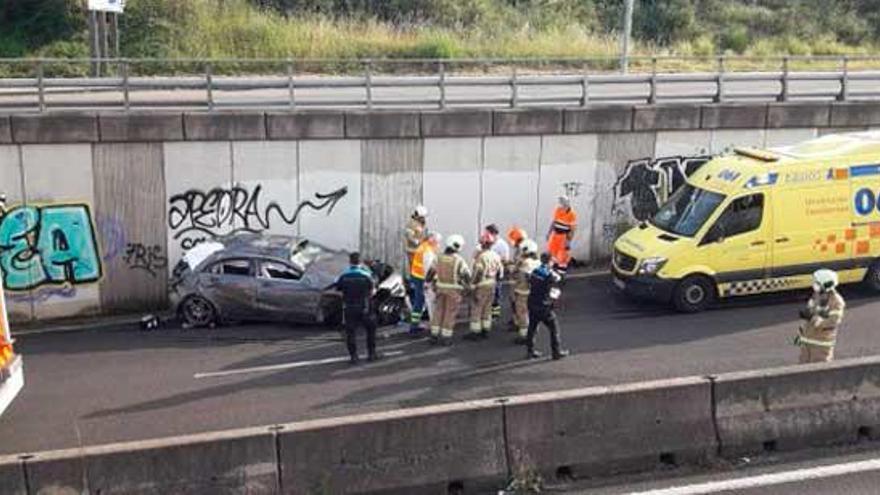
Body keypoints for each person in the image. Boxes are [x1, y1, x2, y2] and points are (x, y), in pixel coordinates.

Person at [333, 252, 381, 364]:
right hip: (365, 307)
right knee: (371, 330)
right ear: (361, 262)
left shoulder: (344, 275)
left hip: (349, 307)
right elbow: (373, 290)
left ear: (350, 262)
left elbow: (338, 288)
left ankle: (354, 357)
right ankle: (371, 354)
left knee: (350, 332)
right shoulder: (366, 275)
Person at [427, 234, 471, 346]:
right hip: (454, 291)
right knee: (449, 314)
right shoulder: (459, 260)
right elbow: (466, 275)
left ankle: (434, 335)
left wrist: (428, 283)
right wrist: (468, 287)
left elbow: (430, 273)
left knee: (438, 312)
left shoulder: (438, 257)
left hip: (440, 290)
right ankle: (446, 337)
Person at [525, 252, 570, 360]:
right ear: (550, 261)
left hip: (532, 303)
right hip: (543, 306)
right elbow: (554, 289)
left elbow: (529, 281)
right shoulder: (550, 275)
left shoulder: (535, 271)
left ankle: (530, 352)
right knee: (554, 329)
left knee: (532, 328)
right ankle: (556, 352)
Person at [795, 269, 845, 364]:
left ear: (826, 284)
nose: (814, 284)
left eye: (817, 282)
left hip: (821, 345)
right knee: (802, 372)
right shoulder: (816, 296)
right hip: (807, 341)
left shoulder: (836, 302)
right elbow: (810, 312)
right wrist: (801, 333)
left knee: (818, 374)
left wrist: (812, 318)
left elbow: (832, 322)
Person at [466, 233, 504, 341]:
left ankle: (475, 332)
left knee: (477, 308)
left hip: (481, 285)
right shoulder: (496, 255)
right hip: (492, 284)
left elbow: (478, 271)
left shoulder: (481, 257)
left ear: (482, 244)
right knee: (487, 308)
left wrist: (472, 285)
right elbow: (500, 273)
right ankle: (486, 330)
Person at [408, 231, 442, 336]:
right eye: (437, 241)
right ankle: (426, 327)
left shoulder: (424, 246)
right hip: (422, 279)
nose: (438, 244)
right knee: (428, 302)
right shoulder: (427, 251)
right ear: (432, 240)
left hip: (417, 277)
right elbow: (429, 269)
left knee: (420, 302)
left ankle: (415, 326)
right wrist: (429, 283)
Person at [512, 240, 540, 345]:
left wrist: (517, 265)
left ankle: (524, 336)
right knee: (532, 313)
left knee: (522, 313)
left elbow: (520, 275)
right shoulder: (537, 262)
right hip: (534, 293)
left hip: (523, 292)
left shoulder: (525, 263)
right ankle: (533, 331)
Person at [485, 224, 510, 322]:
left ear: (493, 233)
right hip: (486, 273)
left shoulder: (502, 245)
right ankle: (486, 312)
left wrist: (495, 263)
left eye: (486, 233)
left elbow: (505, 259)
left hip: (496, 273)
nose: (485, 235)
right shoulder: (486, 242)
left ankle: (495, 314)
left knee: (496, 294)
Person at [546, 195, 577, 275]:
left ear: (567, 204)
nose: (561, 206)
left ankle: (561, 274)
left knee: (562, 257)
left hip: (563, 237)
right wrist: (549, 233)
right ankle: (550, 273)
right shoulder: (558, 210)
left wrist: (568, 241)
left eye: (562, 203)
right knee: (552, 254)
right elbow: (554, 222)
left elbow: (572, 229)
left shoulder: (572, 214)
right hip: (555, 235)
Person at [403, 205, 428, 276]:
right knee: (414, 269)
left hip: (419, 251)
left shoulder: (421, 223)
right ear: (418, 215)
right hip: (412, 250)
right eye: (422, 217)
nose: (423, 218)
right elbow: (410, 237)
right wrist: (418, 242)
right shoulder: (411, 224)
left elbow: (421, 234)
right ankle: (414, 283)